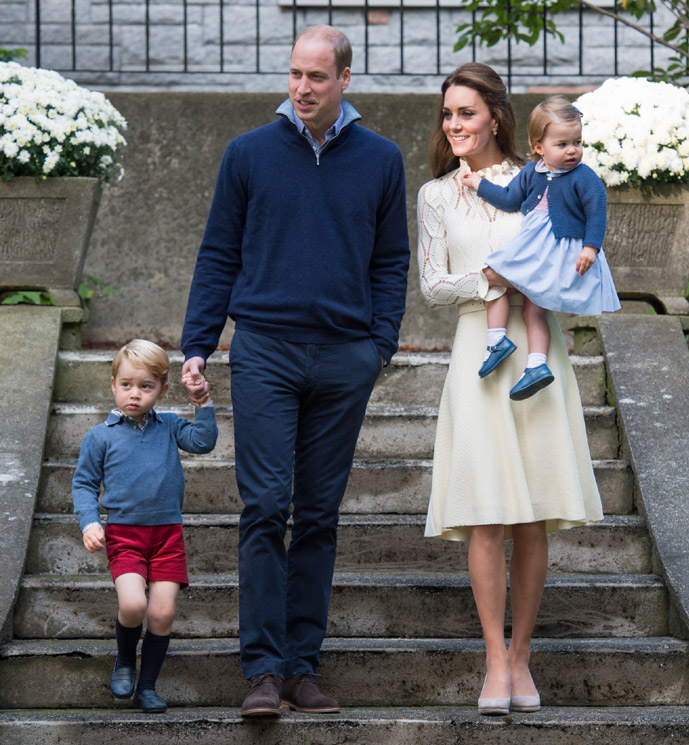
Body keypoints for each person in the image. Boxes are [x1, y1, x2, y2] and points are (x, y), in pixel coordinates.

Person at [179, 24, 409, 718]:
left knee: (315, 515)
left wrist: (379, 345)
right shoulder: (248, 153)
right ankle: (262, 671)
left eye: (316, 76)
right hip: (265, 351)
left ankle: (303, 668)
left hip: (344, 357)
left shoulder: (381, 159)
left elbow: (391, 260)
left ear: (345, 79)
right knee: (264, 507)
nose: (302, 88)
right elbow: (219, 252)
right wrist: (198, 342)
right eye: (293, 75)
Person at [417, 63, 603, 716]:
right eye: (446, 115)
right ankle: (492, 660)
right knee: (485, 509)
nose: (453, 125)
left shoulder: (542, 180)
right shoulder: (435, 195)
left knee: (531, 513)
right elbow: (431, 285)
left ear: (493, 116)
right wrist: (490, 280)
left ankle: (521, 654)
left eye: (464, 113)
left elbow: (576, 245)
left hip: (535, 343)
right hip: (477, 346)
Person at [72, 339, 218, 713]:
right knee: (134, 603)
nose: (134, 394)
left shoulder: (168, 426)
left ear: (162, 390)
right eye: (126, 385)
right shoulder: (100, 436)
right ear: (113, 384)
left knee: (162, 613)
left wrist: (202, 404)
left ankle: (148, 686)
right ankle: (124, 660)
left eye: (145, 387)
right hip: (125, 535)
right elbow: (84, 484)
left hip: (167, 535)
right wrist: (90, 522)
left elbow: (203, 442)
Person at [462, 96, 619, 398]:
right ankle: (532, 362)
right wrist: (478, 184)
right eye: (562, 144)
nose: (573, 150)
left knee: (495, 278)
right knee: (528, 308)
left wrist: (591, 247)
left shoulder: (584, 177)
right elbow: (509, 198)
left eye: (577, 142)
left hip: (557, 252)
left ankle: (502, 343)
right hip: (534, 248)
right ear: (538, 147)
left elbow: (597, 211)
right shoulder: (531, 172)